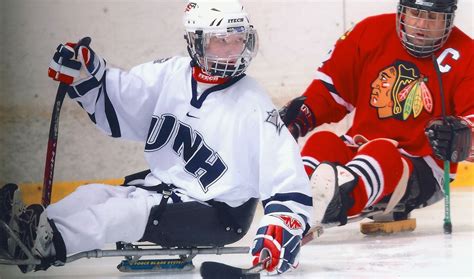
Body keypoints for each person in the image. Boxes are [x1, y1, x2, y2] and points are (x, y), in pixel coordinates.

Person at [1, 0, 312, 275]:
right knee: (93, 195)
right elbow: (125, 99)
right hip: (164, 191)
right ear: (196, 42)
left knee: (119, 213)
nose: (232, 51)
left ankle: (43, 244)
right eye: (220, 41)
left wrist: (284, 223)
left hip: (217, 214)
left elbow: (284, 169)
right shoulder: (171, 74)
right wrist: (87, 70)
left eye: (238, 40)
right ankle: (27, 227)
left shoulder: (253, 102)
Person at [280, 0, 472, 228]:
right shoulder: (369, 32)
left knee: (381, 153)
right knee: (323, 142)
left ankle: (341, 201)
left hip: (423, 167)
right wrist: (300, 118)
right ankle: (293, 201)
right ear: (402, 10)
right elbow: (332, 90)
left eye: (432, 17)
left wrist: (461, 134)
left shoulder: (467, 53)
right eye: (415, 13)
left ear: (447, 18)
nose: (421, 24)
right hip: (360, 149)